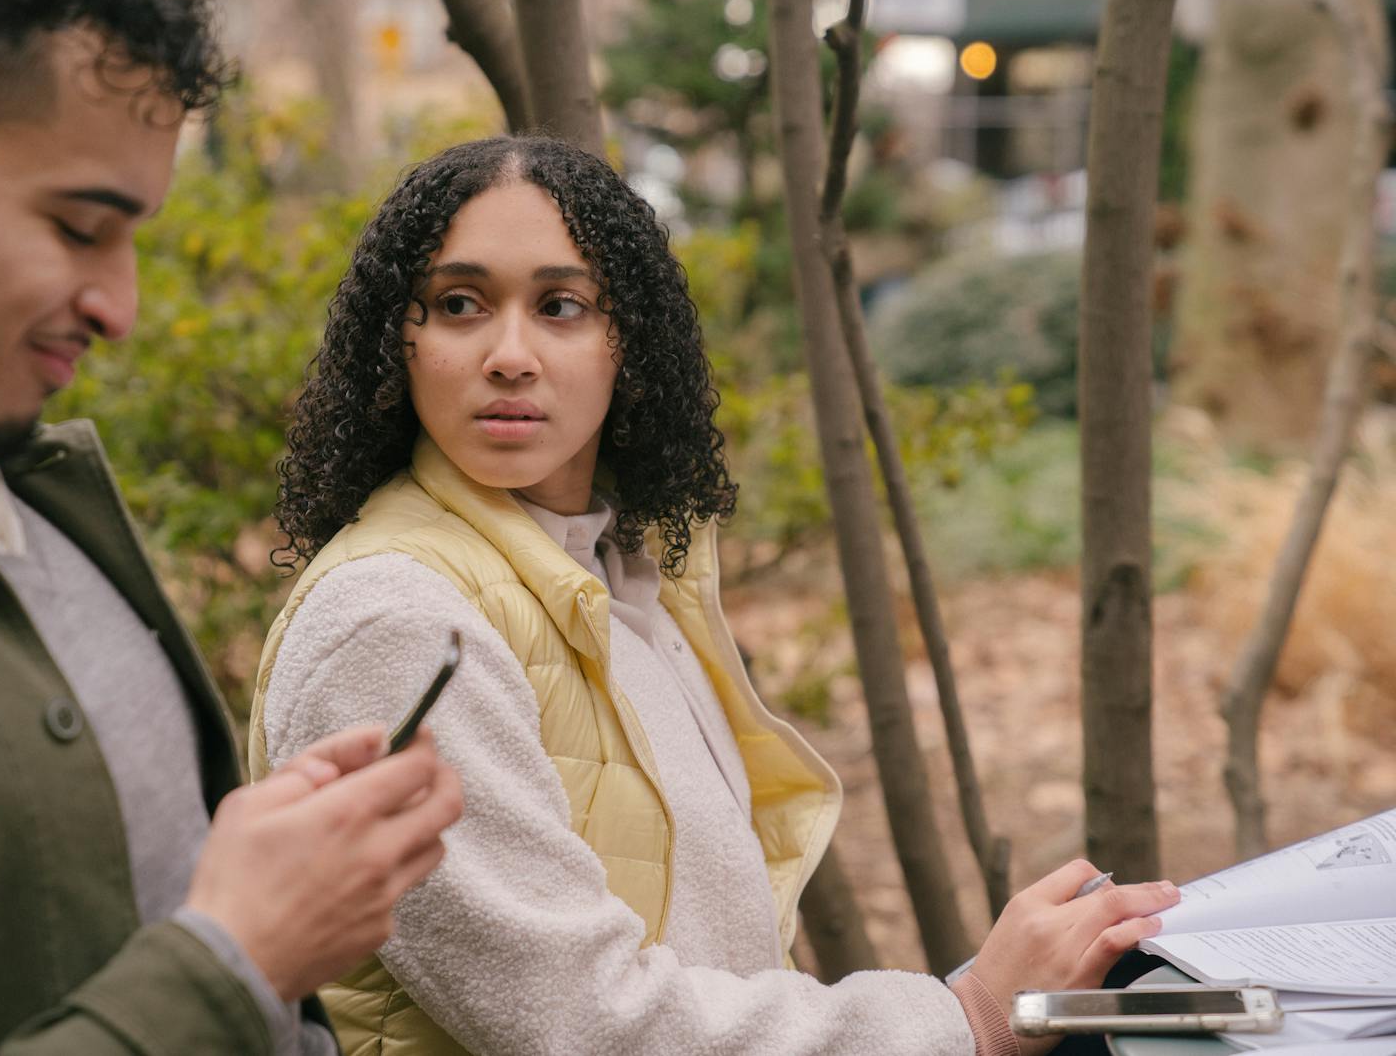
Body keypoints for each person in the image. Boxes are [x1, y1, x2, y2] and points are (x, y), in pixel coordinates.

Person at [249, 134, 1182, 1056]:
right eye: (459, 304)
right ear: (397, 345)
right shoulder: (399, 622)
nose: (510, 353)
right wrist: (966, 1015)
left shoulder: (621, 578)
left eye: (562, 305)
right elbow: (581, 1018)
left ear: (630, 346)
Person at [0, 0, 462, 1053]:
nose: (121, 305)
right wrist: (236, 958)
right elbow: (219, 961)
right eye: (78, 227)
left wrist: (250, 856)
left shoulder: (39, 502)